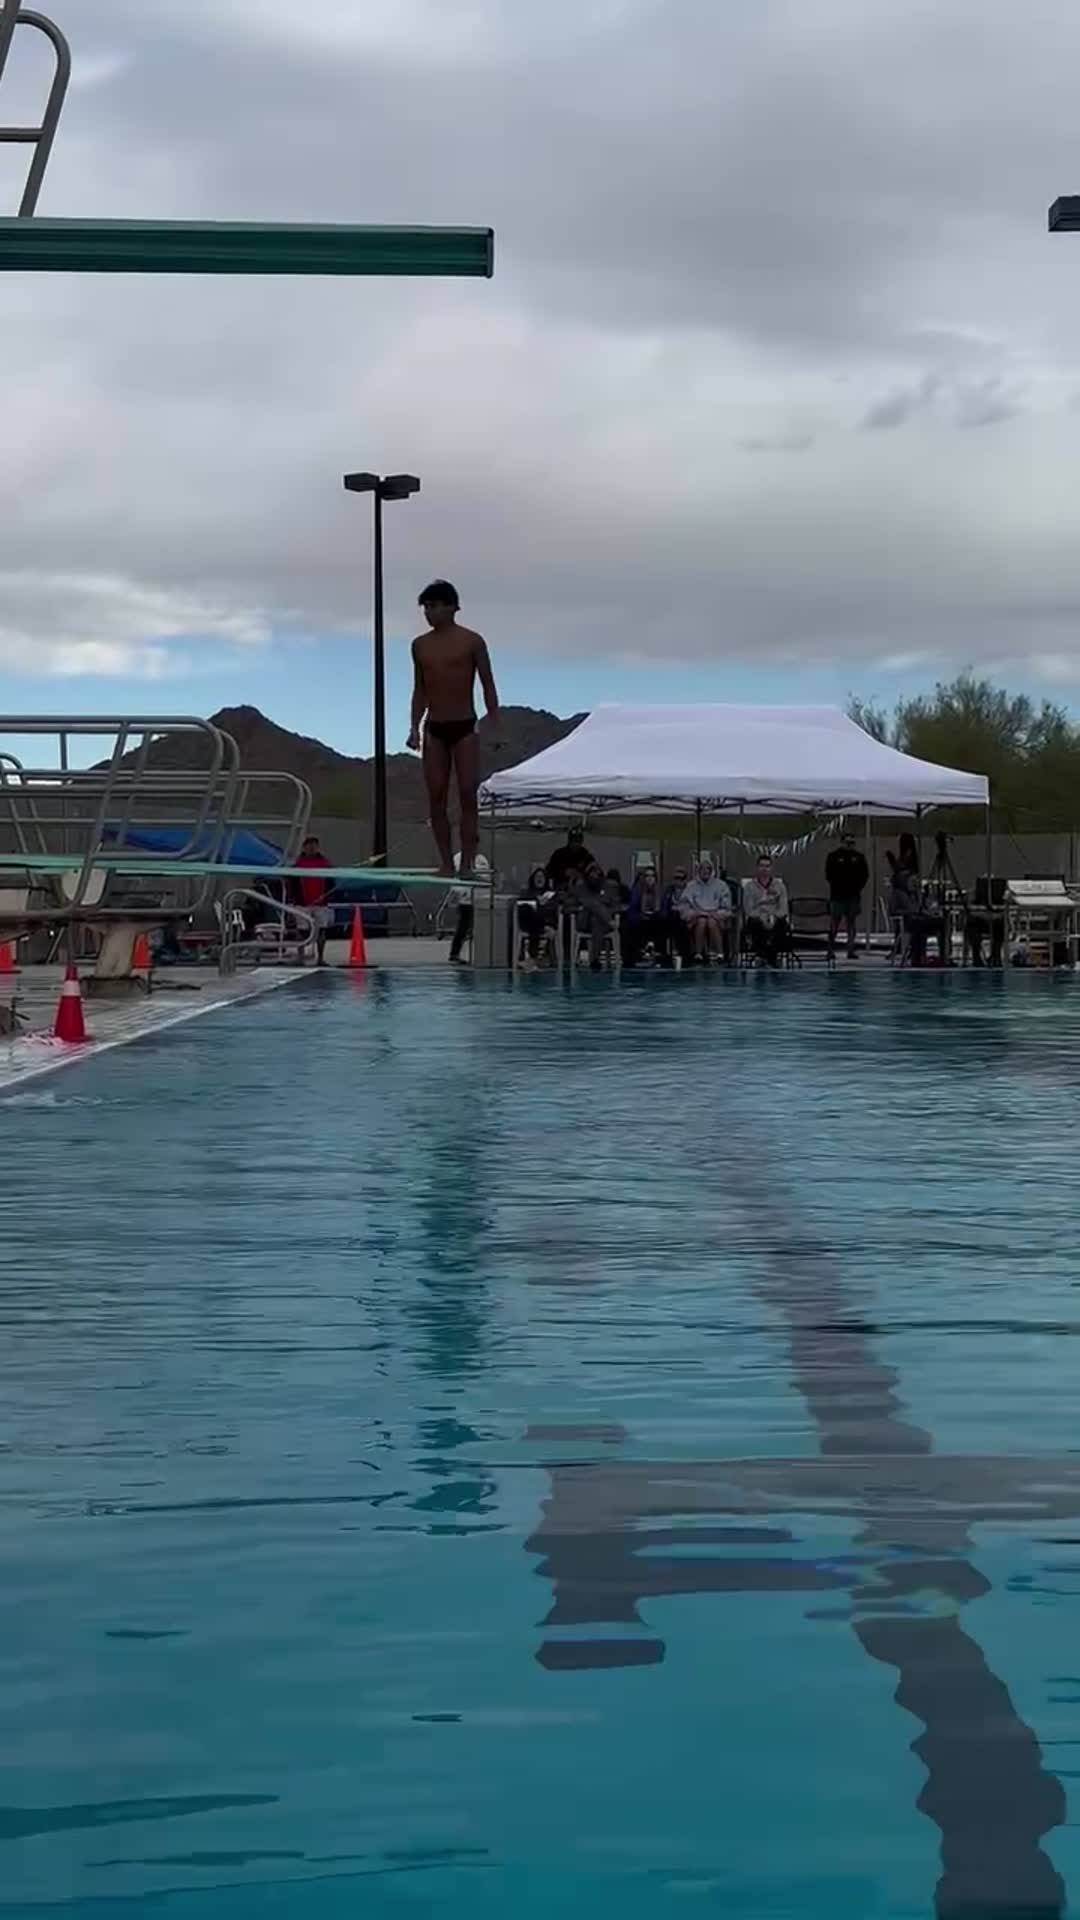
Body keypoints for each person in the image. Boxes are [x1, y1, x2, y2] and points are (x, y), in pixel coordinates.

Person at [407, 580, 499, 877]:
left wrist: (494, 722)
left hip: (464, 726)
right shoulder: (419, 645)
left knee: (467, 792)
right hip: (435, 727)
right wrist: (414, 727)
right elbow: (420, 689)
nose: (429, 613)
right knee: (436, 796)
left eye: (434, 606)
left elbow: (487, 683)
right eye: (426, 608)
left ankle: (468, 863)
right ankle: (446, 862)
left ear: (452, 607)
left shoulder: (472, 641)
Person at [679, 855, 733, 964]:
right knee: (702, 921)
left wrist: (716, 914)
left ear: (712, 870)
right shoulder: (690, 886)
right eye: (702, 869)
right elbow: (684, 906)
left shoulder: (721, 886)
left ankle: (720, 954)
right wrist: (694, 914)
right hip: (696, 917)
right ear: (698, 871)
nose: (705, 871)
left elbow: (727, 907)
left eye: (708, 869)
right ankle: (698, 954)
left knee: (712, 922)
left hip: (716, 917)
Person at [825, 832, 870, 961]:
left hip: (853, 895)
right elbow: (829, 874)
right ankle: (830, 950)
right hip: (837, 895)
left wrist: (857, 887)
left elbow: (865, 874)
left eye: (852, 843)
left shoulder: (859, 857)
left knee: (851, 923)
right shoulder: (833, 856)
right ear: (842, 842)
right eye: (847, 843)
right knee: (835, 923)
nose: (850, 845)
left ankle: (850, 950)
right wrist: (837, 885)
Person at [743, 854, 790, 967]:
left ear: (771, 868)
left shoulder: (780, 886)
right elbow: (748, 909)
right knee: (755, 924)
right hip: (757, 917)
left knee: (781, 924)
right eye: (762, 866)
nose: (764, 869)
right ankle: (762, 955)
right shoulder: (749, 887)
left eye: (767, 866)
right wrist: (761, 916)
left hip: (775, 916)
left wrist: (773, 916)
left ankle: (771, 956)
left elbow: (784, 908)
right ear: (757, 867)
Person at [295, 834, 334, 965]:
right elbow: (292, 883)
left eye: (314, 846)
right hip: (302, 903)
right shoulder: (297, 864)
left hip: (321, 903)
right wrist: (293, 901)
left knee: (322, 931)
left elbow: (331, 882)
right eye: (309, 846)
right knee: (302, 931)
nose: (312, 848)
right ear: (304, 848)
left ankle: (321, 958)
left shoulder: (325, 863)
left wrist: (327, 897)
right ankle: (300, 957)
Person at [573, 861, 617, 970]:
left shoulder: (609, 887)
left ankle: (595, 960)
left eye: (596, 874)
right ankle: (595, 960)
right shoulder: (580, 887)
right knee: (593, 905)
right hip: (584, 921)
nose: (594, 876)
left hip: (602, 923)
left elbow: (616, 906)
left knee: (596, 919)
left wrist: (606, 911)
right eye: (591, 873)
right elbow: (570, 905)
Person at [448, 851, 490, 964]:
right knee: (463, 927)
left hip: (479, 899)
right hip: (465, 900)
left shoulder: (481, 859)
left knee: (480, 928)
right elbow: (453, 878)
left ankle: (482, 954)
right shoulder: (457, 858)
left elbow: (486, 877)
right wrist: (462, 893)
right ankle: (454, 954)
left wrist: (484, 895)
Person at [516, 864, 557, 969]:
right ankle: (534, 958)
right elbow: (521, 906)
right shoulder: (527, 893)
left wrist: (541, 904)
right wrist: (536, 901)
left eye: (542, 877)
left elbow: (553, 909)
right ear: (533, 879)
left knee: (535, 922)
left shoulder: (551, 894)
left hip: (546, 922)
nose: (539, 879)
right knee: (527, 910)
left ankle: (533, 958)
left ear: (546, 879)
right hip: (532, 924)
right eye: (537, 877)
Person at [625, 864, 665, 966]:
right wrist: (641, 916)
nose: (650, 878)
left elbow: (665, 909)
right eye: (647, 876)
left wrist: (656, 914)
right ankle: (637, 956)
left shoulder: (661, 891)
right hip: (640, 919)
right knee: (632, 925)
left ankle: (659, 955)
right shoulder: (637, 890)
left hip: (656, 919)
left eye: (652, 876)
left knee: (660, 923)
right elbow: (632, 909)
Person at [546, 826, 596, 893]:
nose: (576, 844)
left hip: (581, 890)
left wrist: (589, 875)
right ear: (569, 841)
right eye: (574, 840)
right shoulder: (559, 854)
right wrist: (564, 872)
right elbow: (548, 871)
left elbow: (595, 870)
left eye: (579, 841)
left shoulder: (586, 855)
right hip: (561, 889)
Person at [662, 865, 692, 967]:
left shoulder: (690, 890)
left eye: (681, 878)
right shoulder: (669, 891)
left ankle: (686, 956)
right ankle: (664, 956)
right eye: (676, 878)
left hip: (688, 918)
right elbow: (665, 906)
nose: (679, 881)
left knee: (680, 924)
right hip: (672, 919)